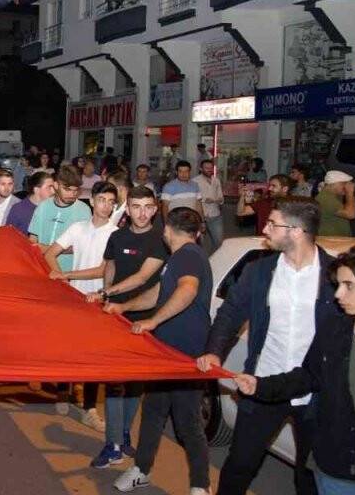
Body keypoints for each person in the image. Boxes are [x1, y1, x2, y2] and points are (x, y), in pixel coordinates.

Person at [232, 245, 355, 495]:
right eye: (338, 285)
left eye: (349, 286)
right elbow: (308, 376)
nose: (338, 294)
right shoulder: (334, 331)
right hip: (338, 473)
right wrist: (261, 386)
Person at [198, 197, 342, 495]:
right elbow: (230, 313)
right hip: (261, 384)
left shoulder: (335, 276)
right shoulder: (260, 271)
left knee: (308, 474)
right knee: (240, 464)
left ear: (297, 231)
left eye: (272, 224)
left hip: (314, 392)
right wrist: (214, 350)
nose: (265, 228)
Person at [109, 207, 213, 495]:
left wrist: (154, 321)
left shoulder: (189, 256)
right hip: (165, 350)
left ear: (167, 229)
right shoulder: (178, 258)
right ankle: (141, 469)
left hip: (184, 353)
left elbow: (187, 290)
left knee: (188, 422)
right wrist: (125, 306)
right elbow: (158, 294)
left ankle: (200, 486)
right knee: (154, 412)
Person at [86, 186, 167, 468]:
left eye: (147, 207)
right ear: (127, 208)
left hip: (143, 318)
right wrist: (107, 290)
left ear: (155, 209)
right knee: (113, 382)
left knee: (134, 383)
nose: (142, 213)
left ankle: (122, 435)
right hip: (113, 316)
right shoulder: (117, 236)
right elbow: (110, 265)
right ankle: (113, 444)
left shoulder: (160, 240)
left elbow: (143, 277)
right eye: (136, 206)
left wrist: (108, 294)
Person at [44, 181, 119, 430]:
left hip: (99, 299)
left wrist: (66, 276)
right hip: (73, 299)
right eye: (102, 200)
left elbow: (102, 269)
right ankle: (63, 391)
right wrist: (62, 282)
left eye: (111, 202)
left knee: (93, 356)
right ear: (92, 201)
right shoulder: (78, 228)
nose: (105, 206)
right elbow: (49, 253)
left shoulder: (115, 233)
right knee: (68, 349)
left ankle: (89, 408)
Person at [30, 166, 93, 281]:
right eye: (67, 189)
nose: (72, 194)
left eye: (75, 190)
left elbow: (83, 247)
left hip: (69, 273)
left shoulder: (84, 210)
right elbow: (33, 238)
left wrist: (49, 250)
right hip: (41, 270)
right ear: (56, 185)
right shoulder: (43, 206)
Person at [316, 170, 355, 237]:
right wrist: (349, 193)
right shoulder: (326, 198)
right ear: (333, 184)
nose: (346, 186)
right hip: (330, 241)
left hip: (336, 240)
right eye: (344, 183)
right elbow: (351, 214)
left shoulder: (334, 196)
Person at [196, 159, 225, 253]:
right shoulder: (195, 181)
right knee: (199, 243)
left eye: (210, 168)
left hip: (215, 215)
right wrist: (205, 199)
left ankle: (214, 261)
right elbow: (194, 199)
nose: (209, 170)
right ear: (201, 169)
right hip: (200, 216)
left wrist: (219, 200)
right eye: (206, 168)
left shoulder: (216, 180)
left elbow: (221, 197)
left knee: (218, 242)